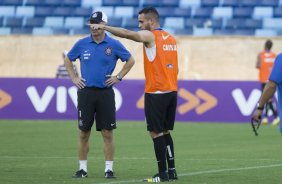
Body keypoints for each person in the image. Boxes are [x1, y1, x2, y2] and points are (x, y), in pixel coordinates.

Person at [90, 7, 178, 182]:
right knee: (165, 132)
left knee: (156, 132)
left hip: (156, 92)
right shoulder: (171, 39)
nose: (139, 25)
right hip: (171, 90)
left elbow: (127, 34)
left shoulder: (151, 35)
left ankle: (162, 174)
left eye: (141, 22)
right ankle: (172, 170)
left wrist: (104, 27)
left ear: (151, 22)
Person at [64, 11, 135, 179]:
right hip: (86, 93)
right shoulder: (82, 43)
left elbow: (130, 60)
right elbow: (68, 59)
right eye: (91, 23)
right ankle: (82, 169)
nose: (93, 27)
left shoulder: (114, 44)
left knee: (107, 132)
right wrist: (74, 77)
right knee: (83, 132)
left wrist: (118, 77)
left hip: (105, 93)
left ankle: (108, 169)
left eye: (96, 24)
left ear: (104, 25)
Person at [252, 53, 282, 133]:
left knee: (269, 99)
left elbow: (271, 86)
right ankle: (271, 117)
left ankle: (270, 117)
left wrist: (260, 108)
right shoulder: (273, 55)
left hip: (265, 80)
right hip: (268, 80)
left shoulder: (280, 58)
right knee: (270, 100)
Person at [256, 40, 280, 125]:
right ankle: (266, 117)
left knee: (267, 99)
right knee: (268, 99)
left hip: (264, 80)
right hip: (273, 79)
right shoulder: (275, 56)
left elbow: (257, 65)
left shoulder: (261, 55)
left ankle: (276, 116)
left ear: (265, 46)